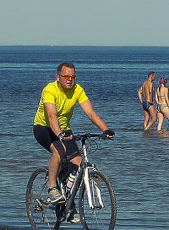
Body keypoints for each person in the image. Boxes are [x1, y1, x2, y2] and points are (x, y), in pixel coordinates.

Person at [32, 62, 114, 205]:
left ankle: (69, 204)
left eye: (73, 76)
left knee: (78, 163)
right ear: (58, 77)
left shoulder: (78, 90)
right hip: (43, 127)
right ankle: (52, 188)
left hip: (64, 129)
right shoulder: (49, 90)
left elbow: (91, 113)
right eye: (66, 76)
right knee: (60, 151)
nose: (70, 79)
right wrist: (59, 134)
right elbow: (51, 116)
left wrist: (105, 129)